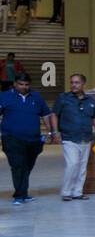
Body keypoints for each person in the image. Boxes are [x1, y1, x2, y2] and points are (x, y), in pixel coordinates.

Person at [0, 72, 54, 204]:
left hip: (34, 140)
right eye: (21, 84)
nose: (24, 87)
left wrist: (50, 132)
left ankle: (23, 192)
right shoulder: (4, 96)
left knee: (27, 166)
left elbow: (46, 114)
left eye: (26, 85)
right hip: (11, 138)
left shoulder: (36, 97)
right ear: (14, 84)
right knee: (18, 166)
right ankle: (19, 195)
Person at [50, 73, 95, 201]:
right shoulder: (63, 98)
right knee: (73, 164)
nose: (73, 85)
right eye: (72, 82)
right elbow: (54, 115)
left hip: (86, 138)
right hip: (69, 137)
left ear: (83, 84)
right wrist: (55, 132)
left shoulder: (90, 100)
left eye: (77, 82)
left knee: (82, 167)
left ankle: (78, 192)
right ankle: (66, 192)